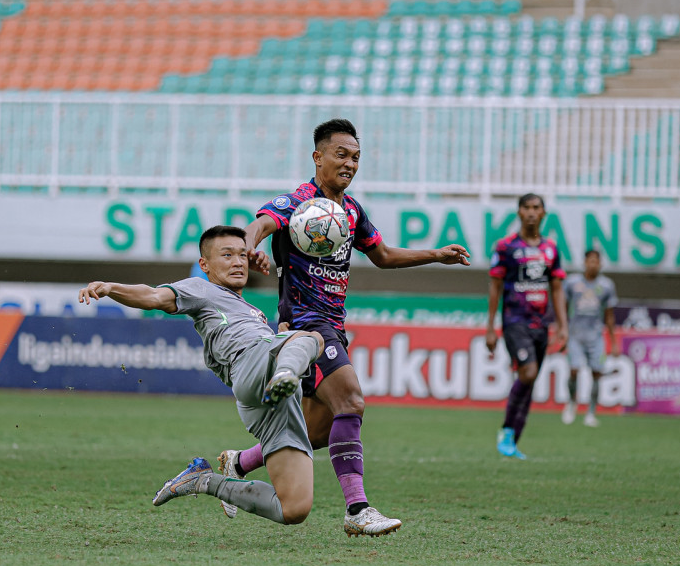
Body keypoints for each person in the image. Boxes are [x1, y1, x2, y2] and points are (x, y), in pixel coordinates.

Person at [218, 118, 471, 537]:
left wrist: (436, 255)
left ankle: (238, 463)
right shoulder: (299, 202)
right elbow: (260, 223)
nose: (349, 163)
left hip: (332, 325)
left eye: (355, 157)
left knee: (317, 430)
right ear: (318, 157)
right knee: (351, 402)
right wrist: (250, 246)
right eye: (341, 154)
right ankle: (357, 510)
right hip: (305, 327)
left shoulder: (350, 211)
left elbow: (384, 255)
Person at [77, 225, 324, 528]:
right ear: (205, 265)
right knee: (312, 337)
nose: (237, 262)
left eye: (242, 255)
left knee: (294, 508)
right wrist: (111, 288)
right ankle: (286, 372)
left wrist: (281, 339)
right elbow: (154, 296)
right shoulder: (200, 288)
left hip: (270, 403)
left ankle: (203, 480)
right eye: (227, 255)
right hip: (251, 367)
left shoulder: (252, 311)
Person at [485, 193, 568, 459]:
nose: (532, 212)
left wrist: (562, 326)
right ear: (519, 212)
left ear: (544, 213)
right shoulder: (506, 246)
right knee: (529, 373)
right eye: (527, 208)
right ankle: (506, 431)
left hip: (541, 323)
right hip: (515, 321)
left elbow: (557, 288)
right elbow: (495, 286)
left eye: (536, 208)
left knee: (529, 380)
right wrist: (490, 327)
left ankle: (512, 439)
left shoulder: (551, 249)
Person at [561, 250, 620, 427]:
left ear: (600, 264)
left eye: (596, 261)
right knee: (573, 370)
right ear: (585, 262)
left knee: (596, 373)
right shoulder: (572, 282)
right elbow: (562, 307)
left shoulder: (607, 285)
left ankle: (591, 412)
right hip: (575, 335)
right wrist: (561, 330)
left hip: (595, 337)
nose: (593, 264)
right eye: (590, 261)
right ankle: (572, 402)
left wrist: (614, 341)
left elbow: (609, 316)